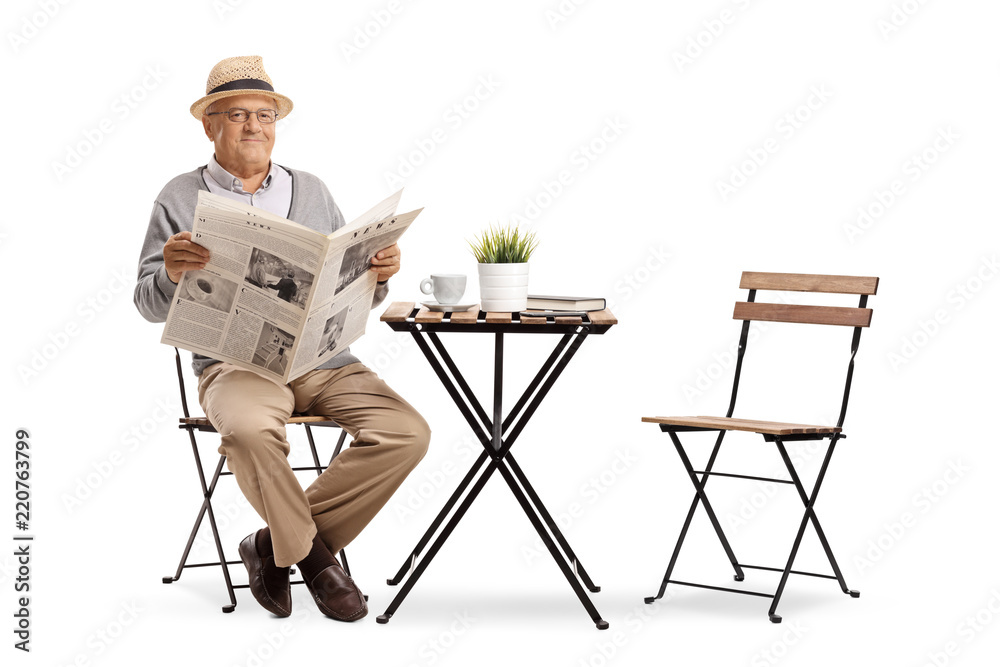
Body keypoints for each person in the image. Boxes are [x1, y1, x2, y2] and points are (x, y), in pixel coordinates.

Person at [133, 56, 430, 622]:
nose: (254, 126)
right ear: (209, 124)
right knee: (247, 431)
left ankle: (270, 547)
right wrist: (170, 274)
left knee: (407, 433)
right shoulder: (177, 197)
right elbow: (146, 305)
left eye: (265, 115)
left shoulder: (313, 189)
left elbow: (353, 291)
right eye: (238, 114)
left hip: (323, 361)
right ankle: (317, 561)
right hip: (236, 365)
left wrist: (378, 274)